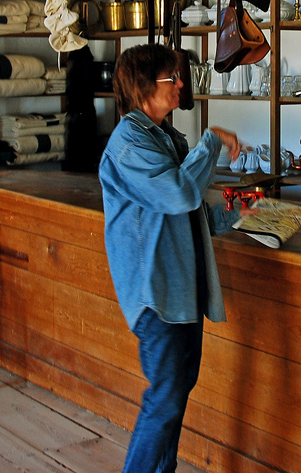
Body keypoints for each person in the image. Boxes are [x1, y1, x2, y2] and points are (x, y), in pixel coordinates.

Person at [99, 43, 248, 473]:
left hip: (181, 291)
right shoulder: (129, 144)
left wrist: (244, 210)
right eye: (172, 77)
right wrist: (213, 139)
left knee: (176, 393)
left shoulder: (166, 138)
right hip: (156, 294)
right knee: (165, 399)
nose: (181, 84)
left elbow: (195, 215)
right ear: (144, 86)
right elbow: (180, 194)